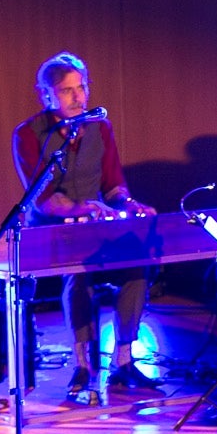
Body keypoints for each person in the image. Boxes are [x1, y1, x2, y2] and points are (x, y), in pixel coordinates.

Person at [12, 52, 159, 401]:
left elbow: (113, 185)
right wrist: (82, 208)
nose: (78, 97)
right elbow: (43, 198)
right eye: (67, 91)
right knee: (79, 273)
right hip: (50, 230)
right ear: (45, 95)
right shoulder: (29, 135)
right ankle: (82, 364)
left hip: (95, 224)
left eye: (82, 88)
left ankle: (124, 360)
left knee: (137, 268)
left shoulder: (100, 127)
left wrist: (128, 203)